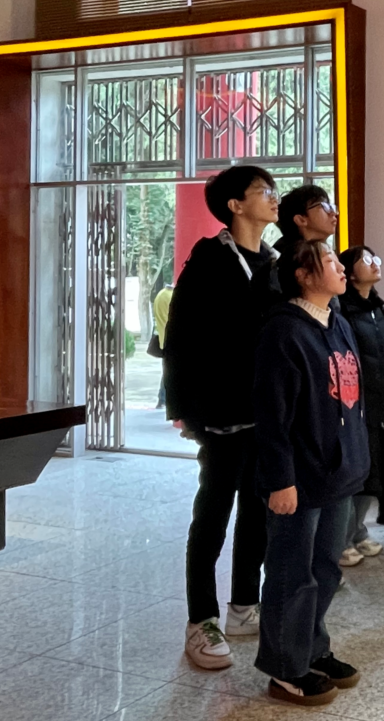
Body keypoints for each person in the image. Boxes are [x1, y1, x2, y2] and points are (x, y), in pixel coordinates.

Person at [163, 165, 279, 670]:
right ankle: (201, 619)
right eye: (263, 191)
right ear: (235, 205)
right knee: (212, 514)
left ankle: (244, 606)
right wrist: (186, 412)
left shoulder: (273, 260)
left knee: (258, 512)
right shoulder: (210, 259)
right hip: (221, 414)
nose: (273, 197)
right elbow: (181, 338)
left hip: (265, 412)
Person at [254, 240, 369, 706]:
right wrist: (280, 480)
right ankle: (285, 667)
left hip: (337, 473)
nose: (341, 267)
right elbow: (272, 415)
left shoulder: (338, 322)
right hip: (299, 478)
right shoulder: (283, 330)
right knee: (291, 573)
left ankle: (313, 649)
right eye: (330, 261)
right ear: (302, 275)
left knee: (325, 569)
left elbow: (352, 402)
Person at [337, 244, 384, 569]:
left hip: (379, 401)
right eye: (365, 260)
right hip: (354, 405)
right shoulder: (343, 309)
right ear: (350, 273)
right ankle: (341, 541)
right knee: (356, 473)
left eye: (375, 258)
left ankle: (358, 531)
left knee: (374, 469)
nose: (374, 263)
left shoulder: (376, 307)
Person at [275, 185, 339, 254]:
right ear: (301, 220)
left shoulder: (322, 252)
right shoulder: (290, 257)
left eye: (330, 206)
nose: (333, 213)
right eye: (323, 206)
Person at [150, 282, 173, 409]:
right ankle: (163, 399)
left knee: (167, 370)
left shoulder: (160, 295)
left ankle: (162, 399)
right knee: (169, 371)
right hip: (172, 340)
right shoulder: (172, 296)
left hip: (163, 339)